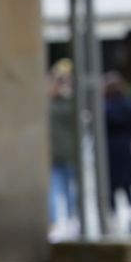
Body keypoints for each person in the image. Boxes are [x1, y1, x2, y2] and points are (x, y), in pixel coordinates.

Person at [103, 73, 131, 233]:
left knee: (111, 184)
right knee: (128, 184)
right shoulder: (130, 105)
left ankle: (113, 218)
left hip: (109, 148)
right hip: (127, 146)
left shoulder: (104, 106)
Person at [48, 60, 79, 233]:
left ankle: (68, 218)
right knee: (58, 189)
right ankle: (59, 220)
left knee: (67, 189)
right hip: (58, 153)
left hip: (66, 153)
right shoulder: (51, 103)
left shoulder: (67, 103)